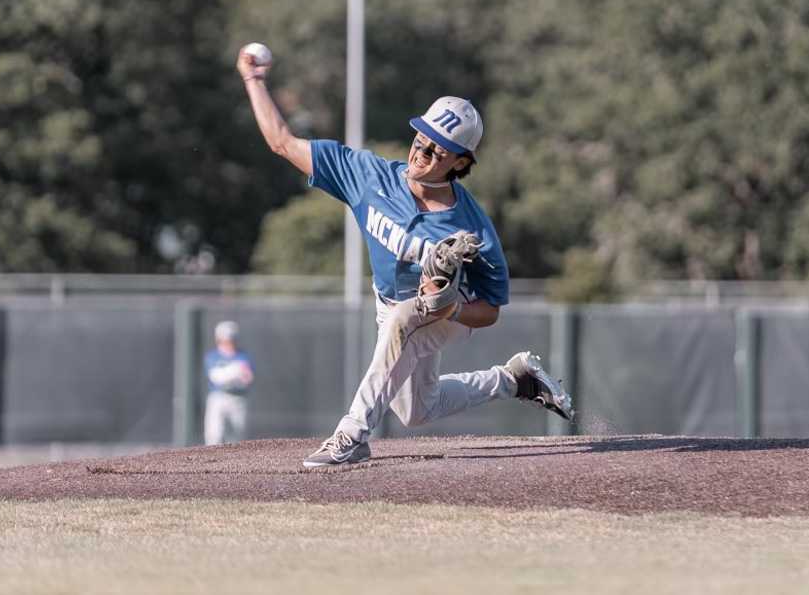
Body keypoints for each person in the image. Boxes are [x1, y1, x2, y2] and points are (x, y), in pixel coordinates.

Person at [236, 44, 574, 467]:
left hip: (447, 313)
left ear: (460, 162)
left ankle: (352, 435)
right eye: (420, 141)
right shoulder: (369, 176)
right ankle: (514, 380)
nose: (421, 154)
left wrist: (448, 308)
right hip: (390, 303)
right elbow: (282, 142)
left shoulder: (472, 228)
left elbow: (489, 311)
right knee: (416, 410)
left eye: (436, 151)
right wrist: (254, 80)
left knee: (404, 322)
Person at [203, 320, 255, 445]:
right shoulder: (213, 356)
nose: (228, 342)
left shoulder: (243, 356)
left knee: (236, 438)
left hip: (238, 399)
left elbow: (248, 378)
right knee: (214, 435)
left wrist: (234, 373)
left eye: (231, 339)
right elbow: (215, 377)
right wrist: (234, 371)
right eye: (225, 339)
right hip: (218, 397)